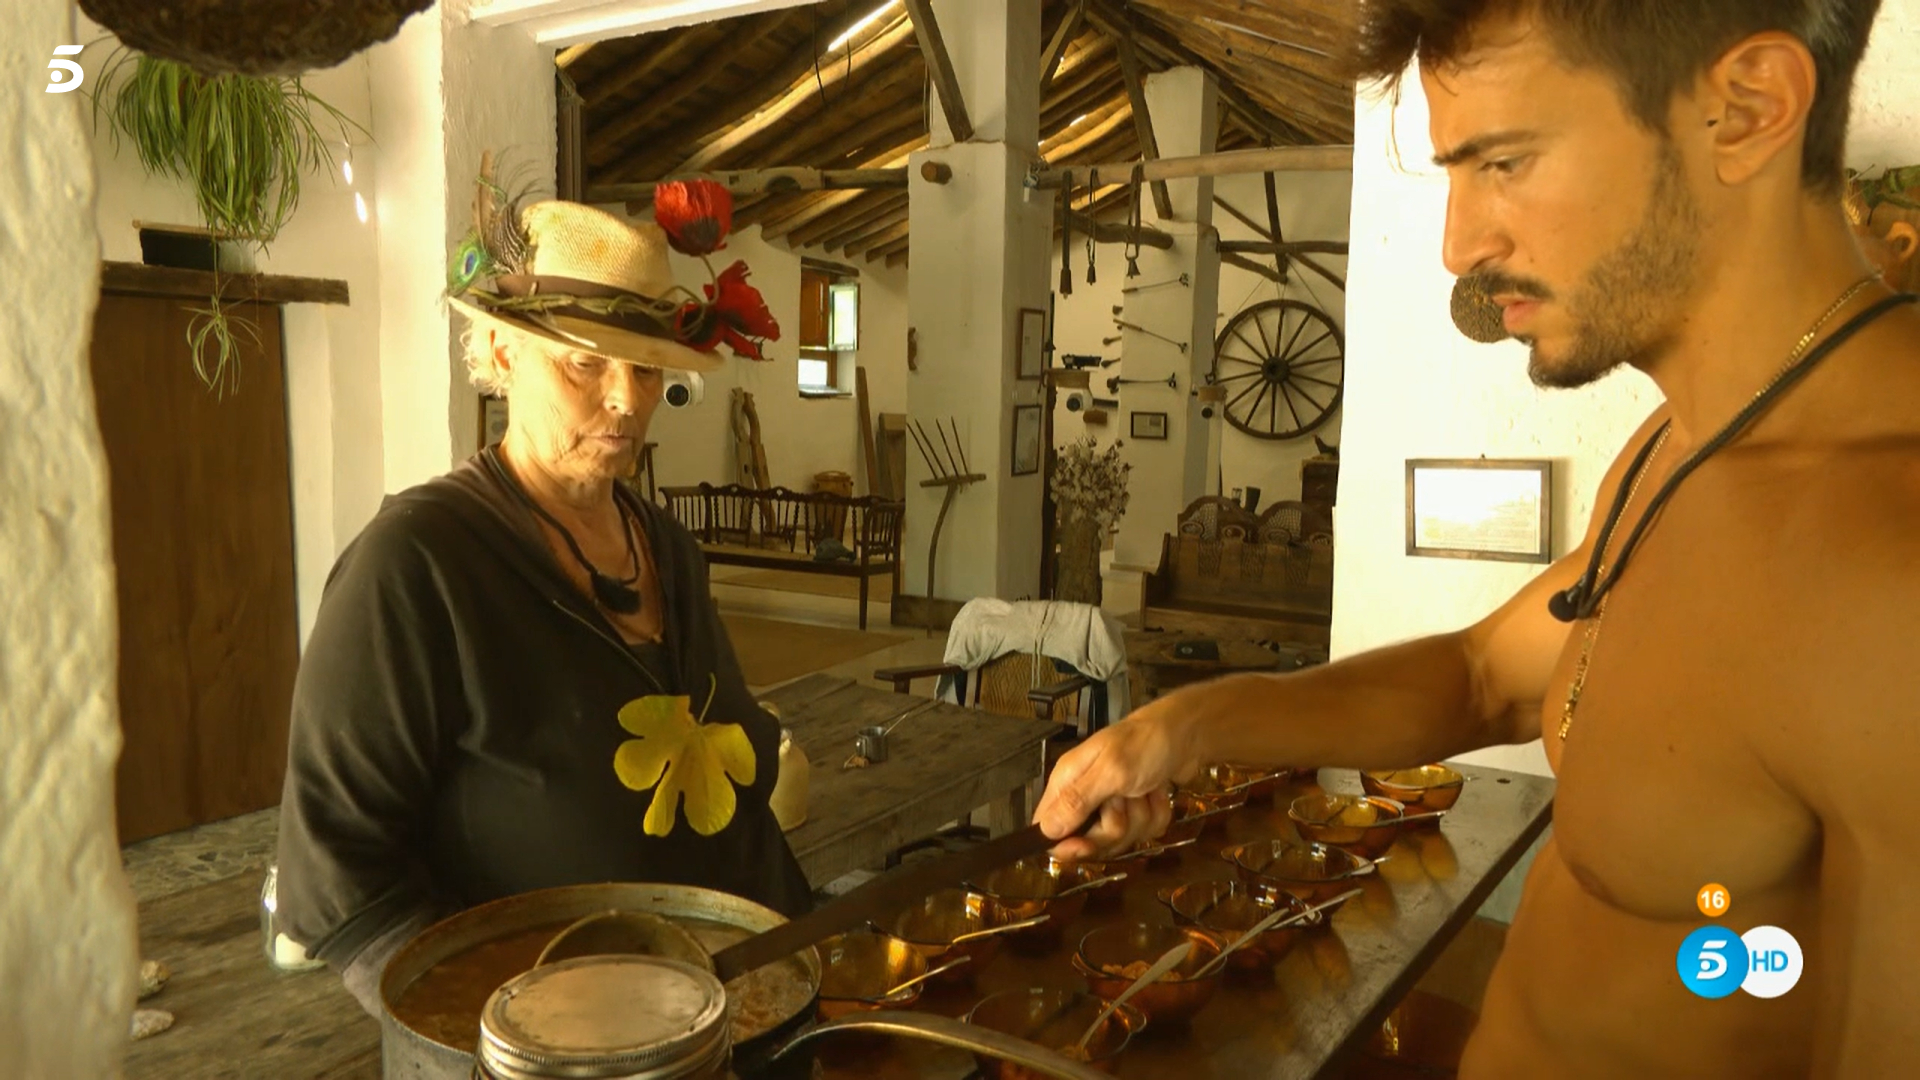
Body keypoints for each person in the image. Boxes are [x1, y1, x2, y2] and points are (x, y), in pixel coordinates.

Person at [1036, 1, 1920, 1076]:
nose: (1461, 244)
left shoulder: (1887, 567)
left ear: (1747, 110)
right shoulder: (1684, 443)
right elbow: (1484, 676)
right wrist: (1185, 725)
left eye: (1503, 161)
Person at [274, 190, 807, 1015]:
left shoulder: (669, 550)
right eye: (586, 362)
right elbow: (337, 878)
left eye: (645, 364)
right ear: (500, 348)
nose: (628, 400)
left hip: (723, 1013)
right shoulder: (418, 567)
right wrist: (502, 1034)